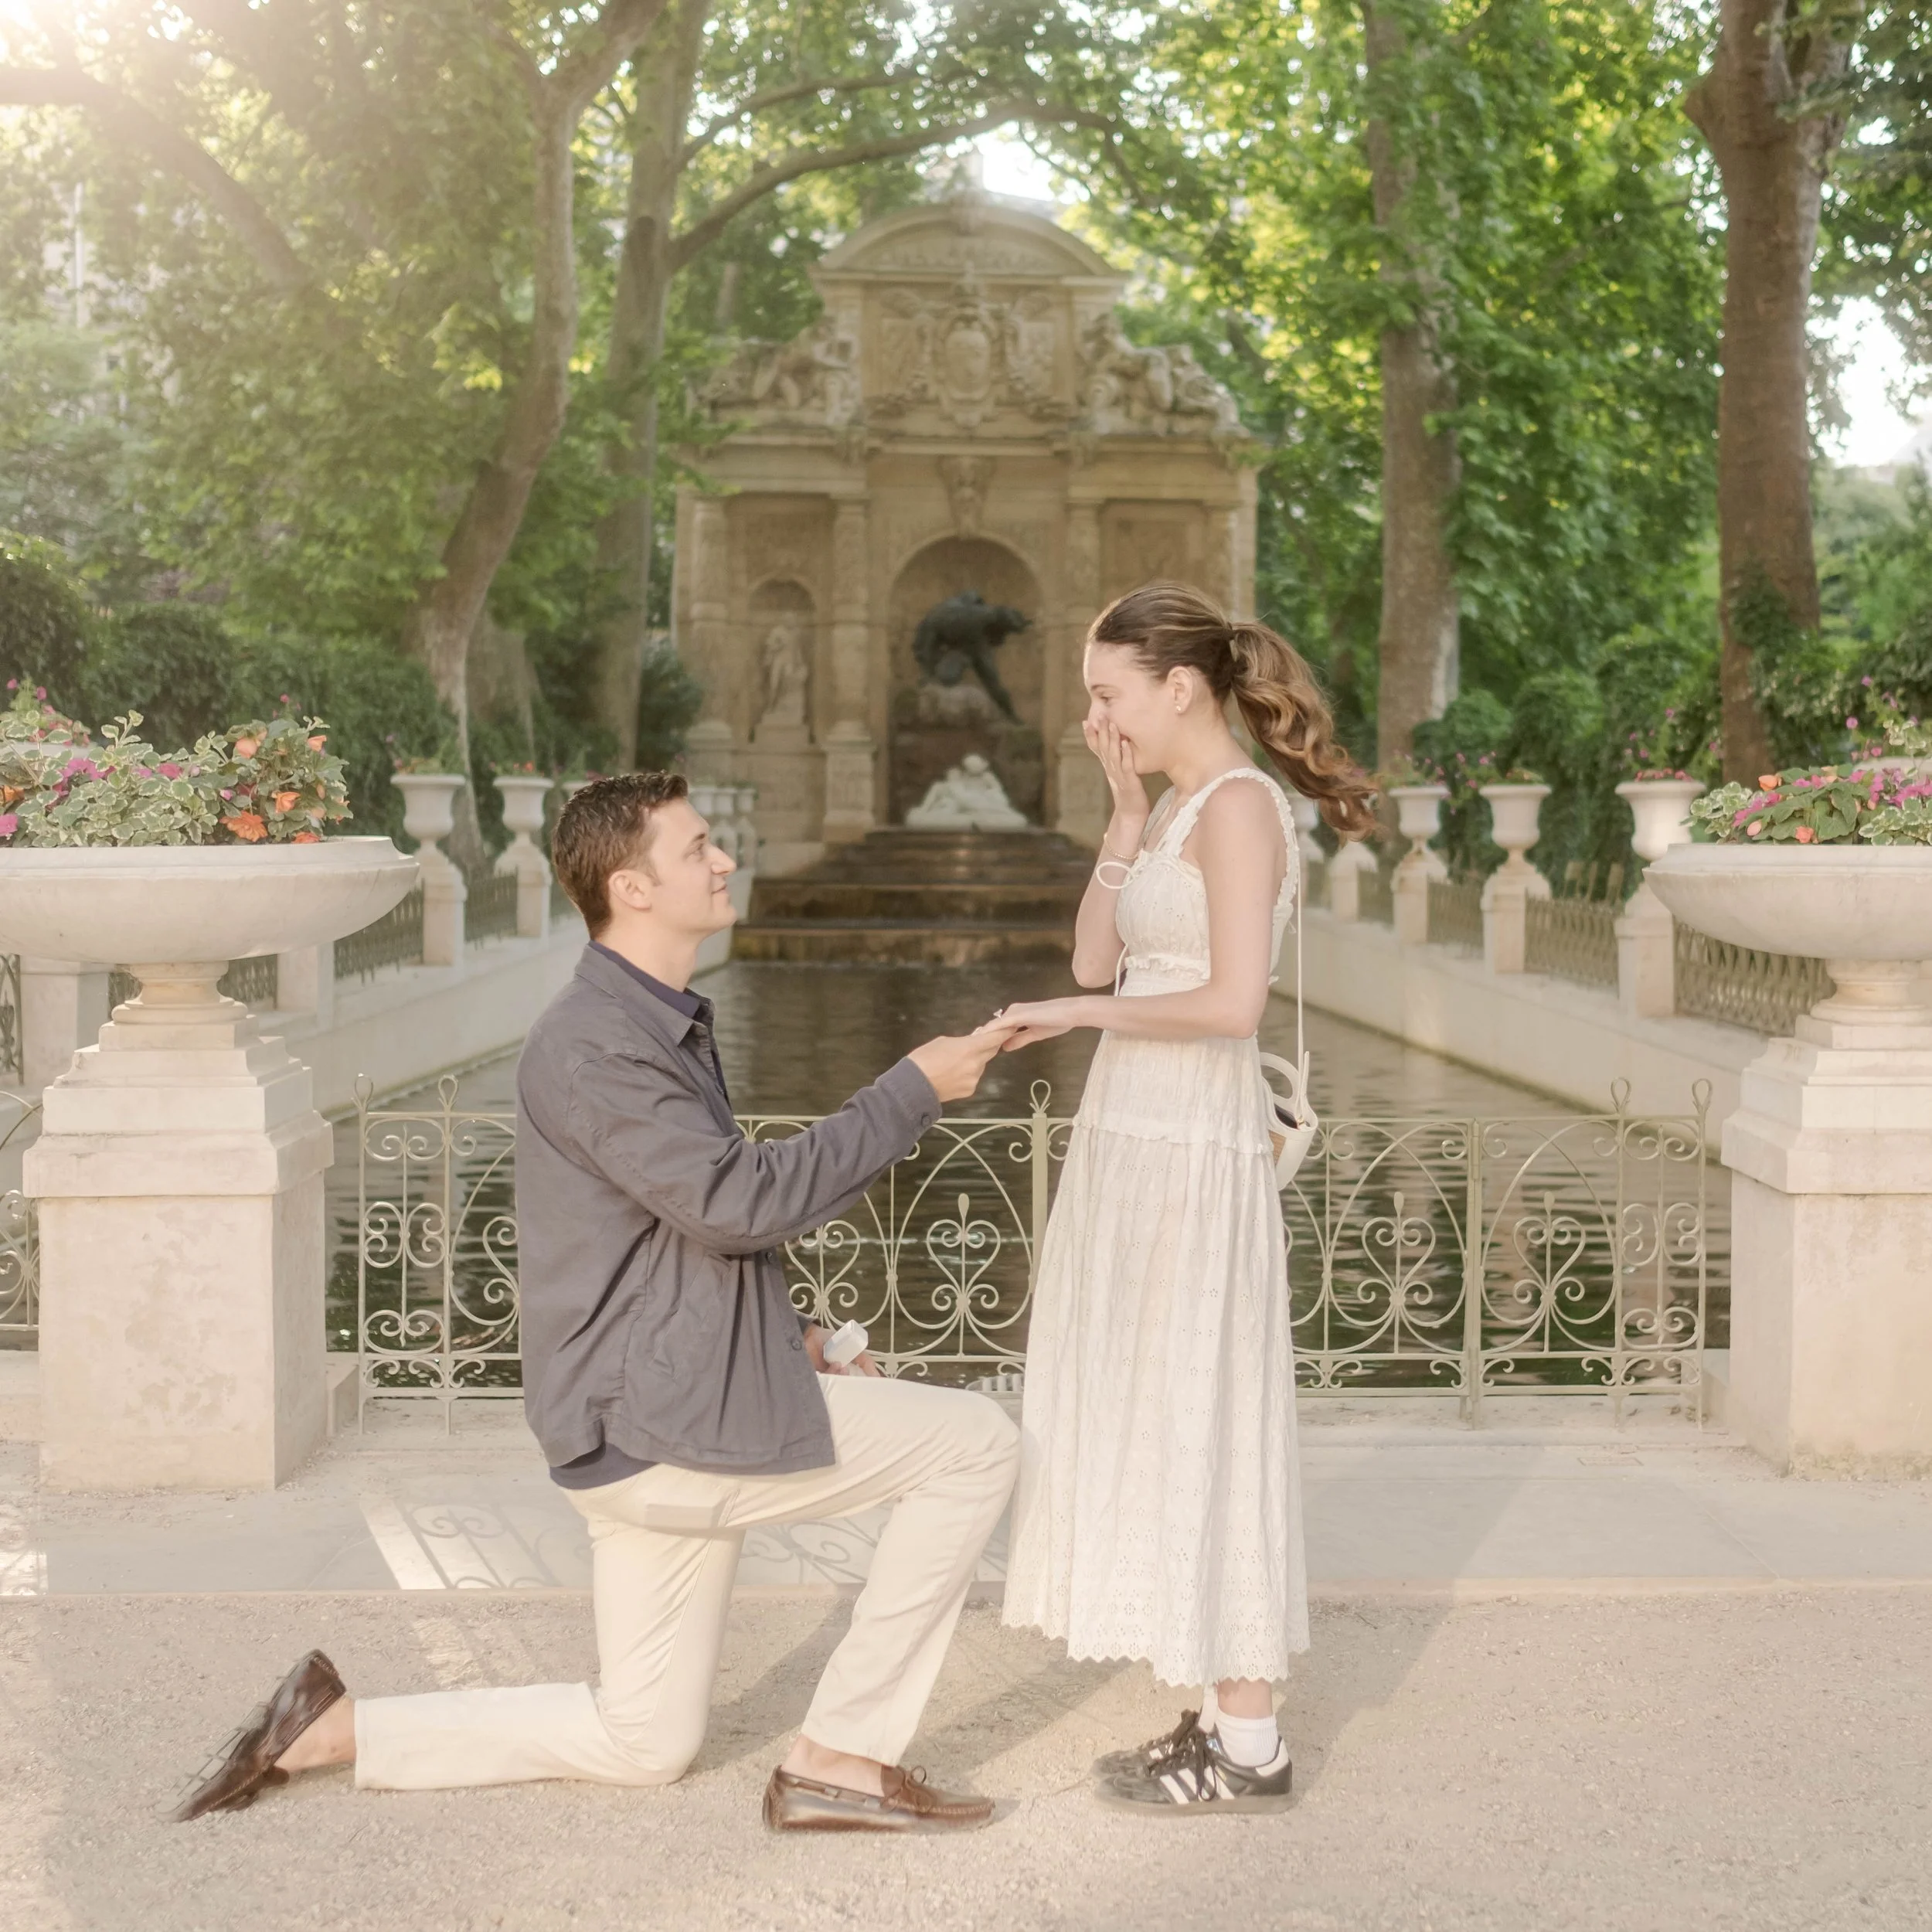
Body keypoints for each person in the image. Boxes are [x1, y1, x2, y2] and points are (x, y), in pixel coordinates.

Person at [173, 772, 1022, 1833]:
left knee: (644, 1741)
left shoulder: (642, 1020)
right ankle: (841, 1757)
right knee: (976, 1442)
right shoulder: (594, 1044)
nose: (723, 861)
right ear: (632, 885)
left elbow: (669, 1237)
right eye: (699, 847)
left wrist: (788, 1335)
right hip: (663, 1431)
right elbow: (735, 1202)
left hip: (639, 1419)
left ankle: (332, 1730)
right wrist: (907, 1090)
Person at [994, 580, 1376, 1812]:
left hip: (1192, 1137)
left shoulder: (1247, 809)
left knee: (1204, 1401)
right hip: (1130, 1136)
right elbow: (1095, 955)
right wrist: (1120, 811)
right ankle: (1223, 1714)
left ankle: (1250, 1742)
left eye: (1109, 696)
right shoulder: (1171, 812)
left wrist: (1071, 1017)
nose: (1096, 715)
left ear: (1179, 688)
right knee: (1151, 1402)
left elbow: (1228, 1007)